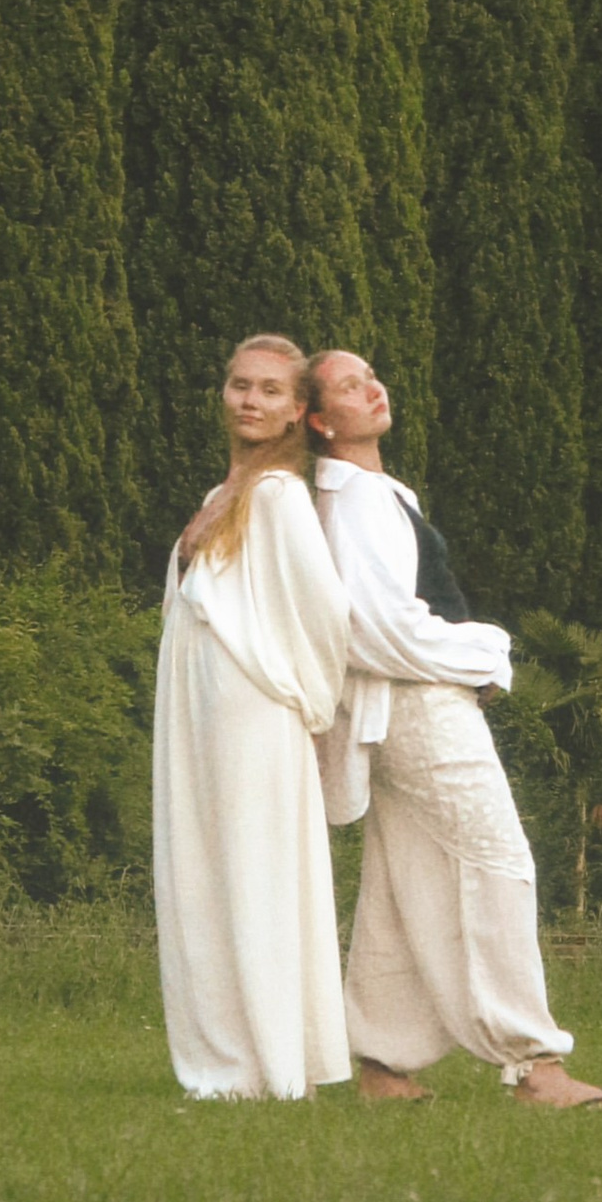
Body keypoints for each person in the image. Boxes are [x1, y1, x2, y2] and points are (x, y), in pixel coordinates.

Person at [307, 348, 602, 1110]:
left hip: (410, 705)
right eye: (349, 386)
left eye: (371, 376)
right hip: (418, 708)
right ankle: (534, 1065)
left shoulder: (376, 495)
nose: (373, 389)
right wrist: (485, 653)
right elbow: (374, 630)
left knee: (402, 877)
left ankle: (383, 1064)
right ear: (319, 421)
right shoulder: (354, 502)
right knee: (497, 864)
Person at [152, 334, 353, 1100]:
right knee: (201, 874)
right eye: (240, 384)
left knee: (253, 872)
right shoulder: (220, 496)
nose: (250, 400)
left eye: (270, 390)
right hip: (197, 710)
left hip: (252, 712)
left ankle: (269, 1061)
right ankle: (224, 1061)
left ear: (297, 410)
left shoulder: (278, 496)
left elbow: (326, 611)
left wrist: (303, 698)